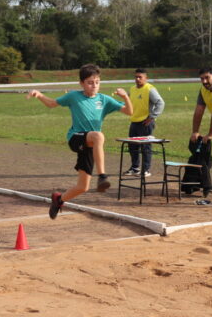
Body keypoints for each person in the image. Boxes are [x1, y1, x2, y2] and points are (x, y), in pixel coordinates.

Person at [27, 64, 133, 219]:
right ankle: (103, 176)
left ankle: (58, 199)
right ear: (82, 83)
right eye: (90, 82)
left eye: (97, 82)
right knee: (99, 136)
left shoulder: (104, 100)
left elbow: (130, 112)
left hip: (89, 144)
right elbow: (51, 104)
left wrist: (125, 97)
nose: (94, 86)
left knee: (83, 187)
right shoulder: (73, 96)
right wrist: (39, 94)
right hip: (75, 137)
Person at [124, 68, 165, 178]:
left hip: (145, 122)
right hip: (134, 121)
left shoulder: (149, 89)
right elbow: (128, 100)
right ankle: (135, 168)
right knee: (132, 146)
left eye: (140, 77)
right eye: (136, 77)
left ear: (146, 78)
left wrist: (152, 116)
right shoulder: (132, 89)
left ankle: (146, 170)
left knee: (145, 147)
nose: (137, 79)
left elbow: (160, 103)